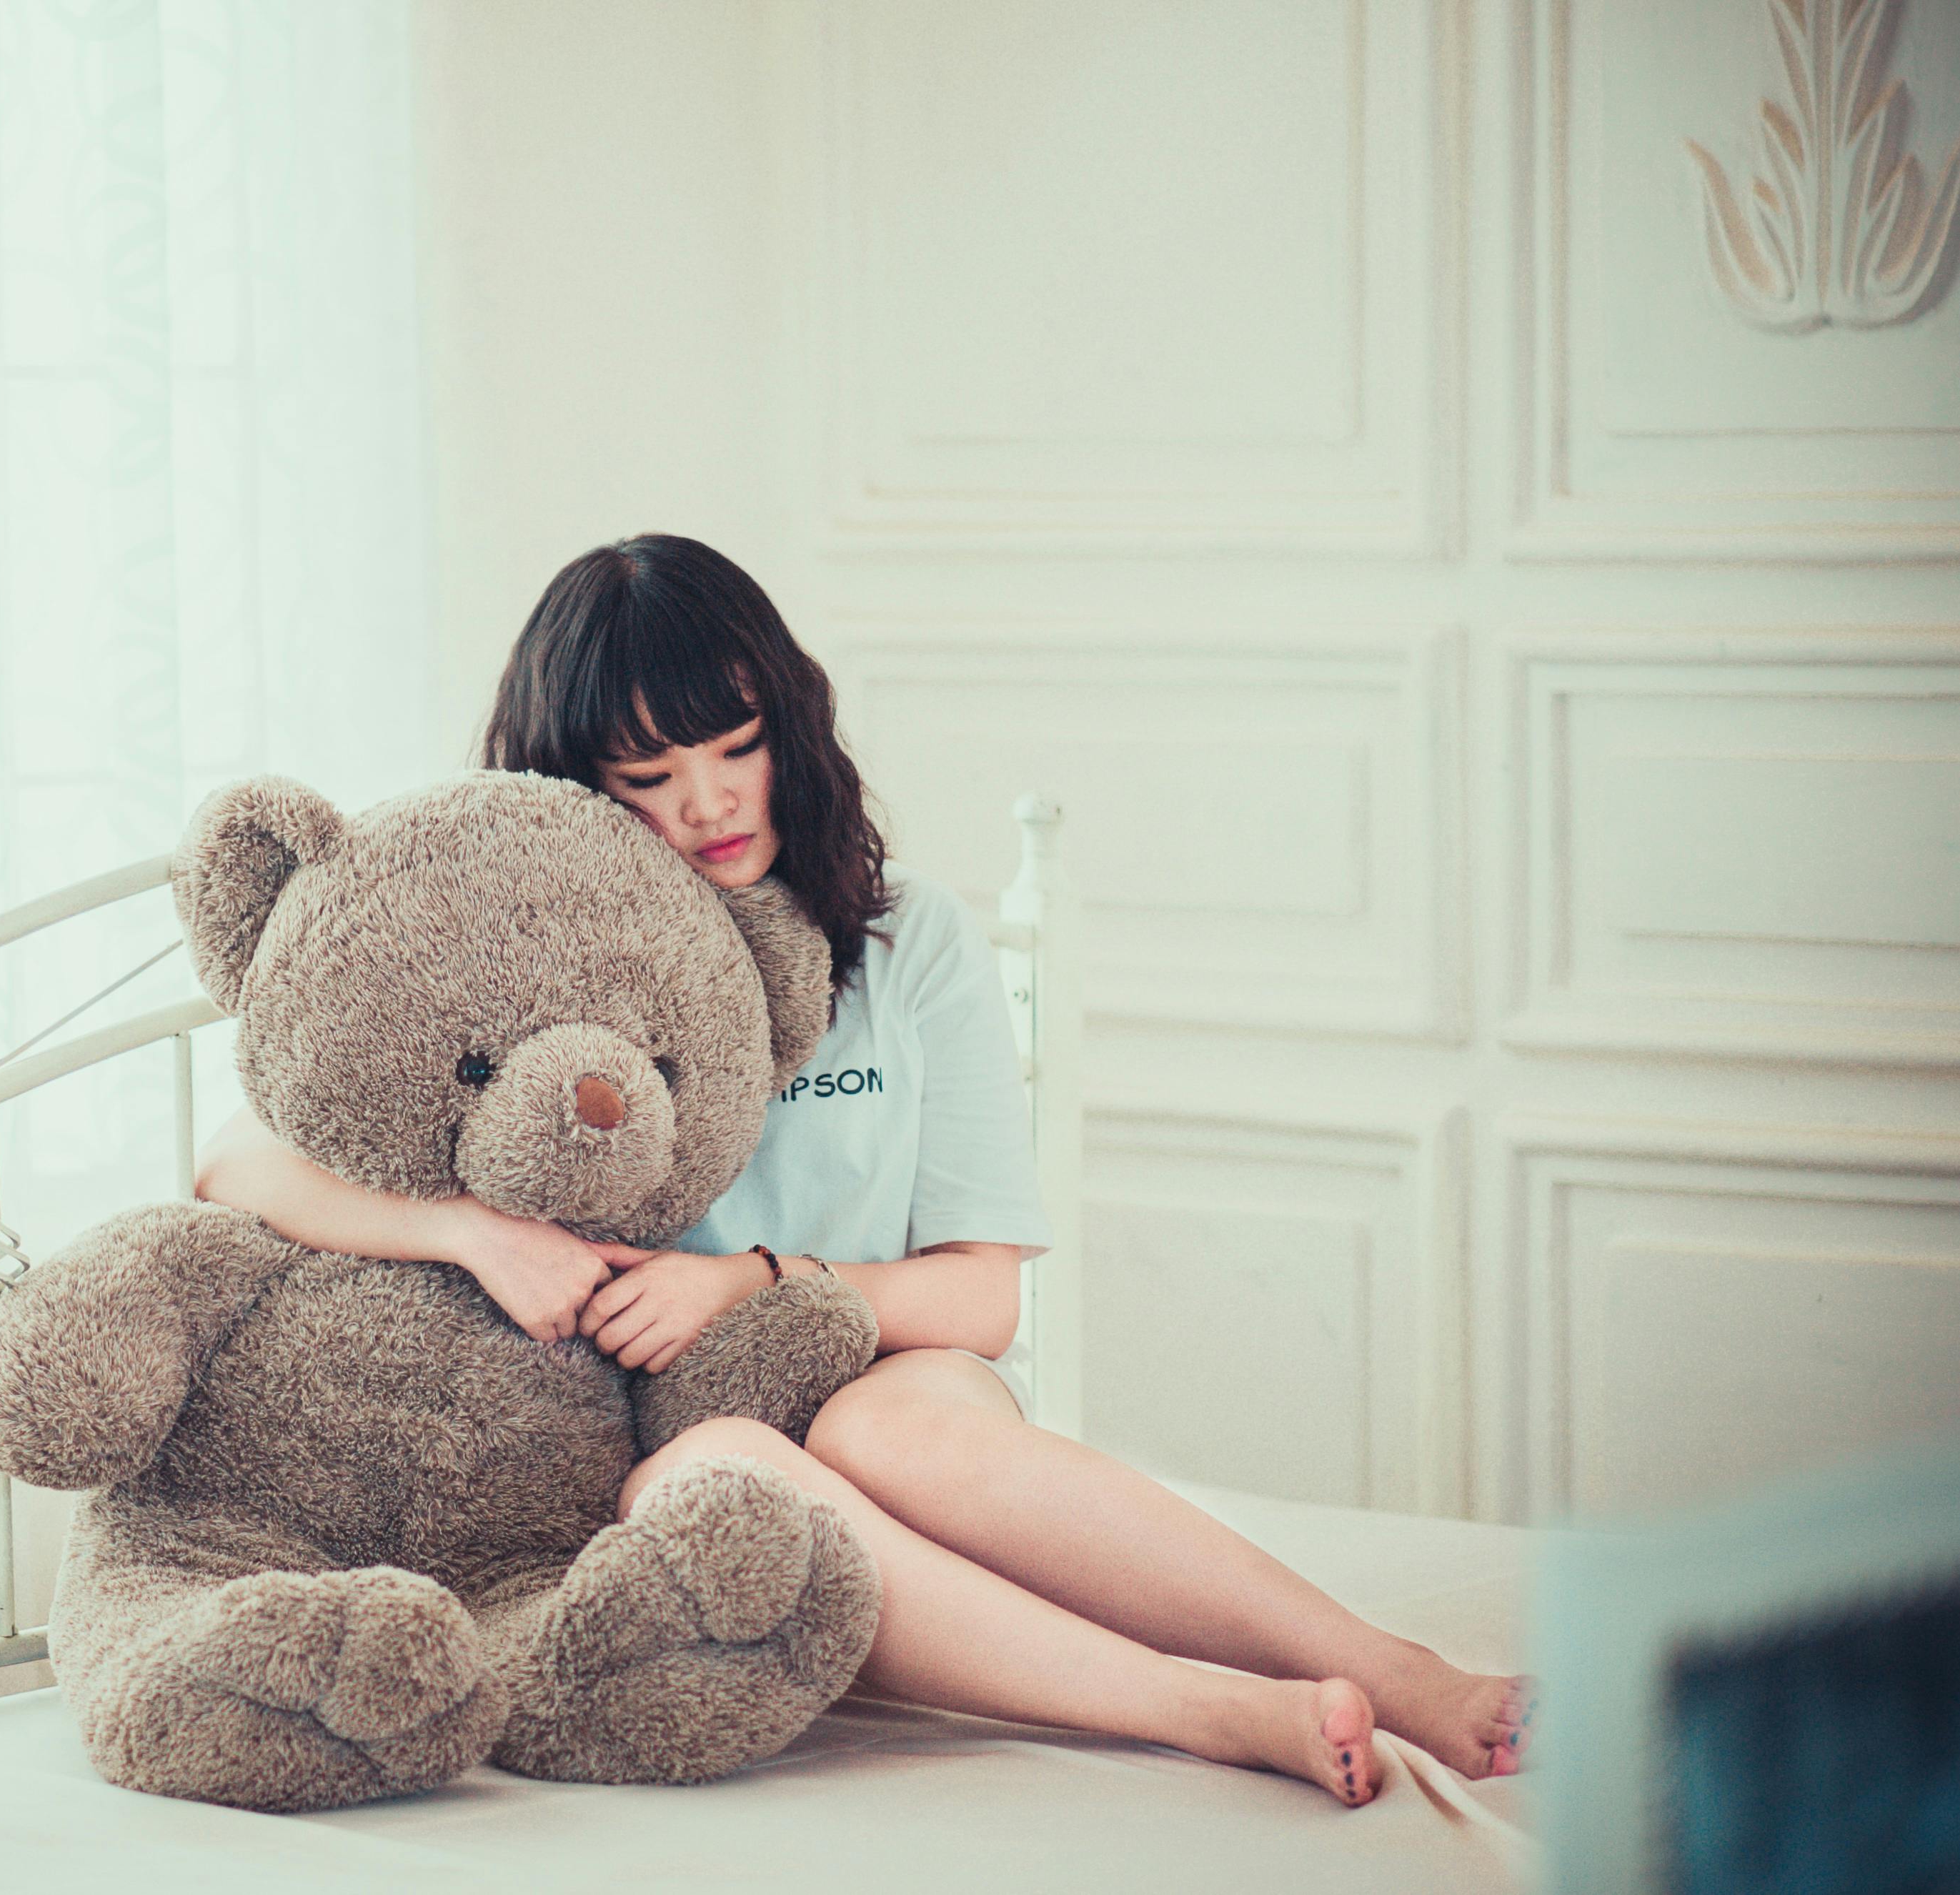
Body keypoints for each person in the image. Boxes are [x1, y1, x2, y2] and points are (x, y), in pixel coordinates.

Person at [192, 533, 1528, 1806]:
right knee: (706, 1479)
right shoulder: (518, 947)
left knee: (872, 1426)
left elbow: (981, 1300)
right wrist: (476, 1237)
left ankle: (1392, 1670)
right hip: (638, 1433)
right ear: (570, 786)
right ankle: (1203, 1711)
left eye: (737, 745)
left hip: (885, 1368)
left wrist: (751, 1287)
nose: (708, 802)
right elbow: (236, 1161)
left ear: (790, 726)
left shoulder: (904, 943)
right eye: (647, 776)